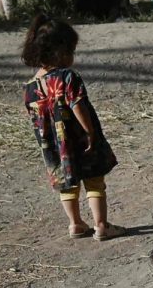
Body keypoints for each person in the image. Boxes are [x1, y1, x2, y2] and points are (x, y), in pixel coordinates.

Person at [21, 14, 119, 240]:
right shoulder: (67, 77)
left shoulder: (30, 86)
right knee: (94, 179)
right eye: (72, 51)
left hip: (54, 146)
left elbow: (35, 118)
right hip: (80, 139)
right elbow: (78, 105)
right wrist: (90, 131)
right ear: (60, 52)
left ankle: (75, 224)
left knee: (67, 183)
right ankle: (101, 225)